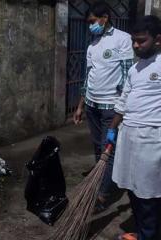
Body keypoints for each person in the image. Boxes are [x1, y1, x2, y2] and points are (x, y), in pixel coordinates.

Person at [73, 1, 134, 210]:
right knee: (97, 147)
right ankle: (100, 181)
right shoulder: (93, 44)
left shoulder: (123, 39)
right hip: (92, 105)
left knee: (108, 149)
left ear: (104, 18)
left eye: (92, 21)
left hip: (110, 107)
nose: (91, 25)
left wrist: (122, 108)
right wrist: (80, 105)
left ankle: (101, 194)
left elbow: (128, 76)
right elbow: (88, 77)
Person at [107, 16, 161, 240]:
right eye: (134, 41)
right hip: (128, 136)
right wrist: (112, 129)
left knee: (148, 193)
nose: (136, 46)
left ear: (158, 40)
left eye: (141, 41)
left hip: (151, 138)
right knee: (132, 189)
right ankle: (141, 232)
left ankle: (149, 235)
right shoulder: (135, 68)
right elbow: (123, 101)